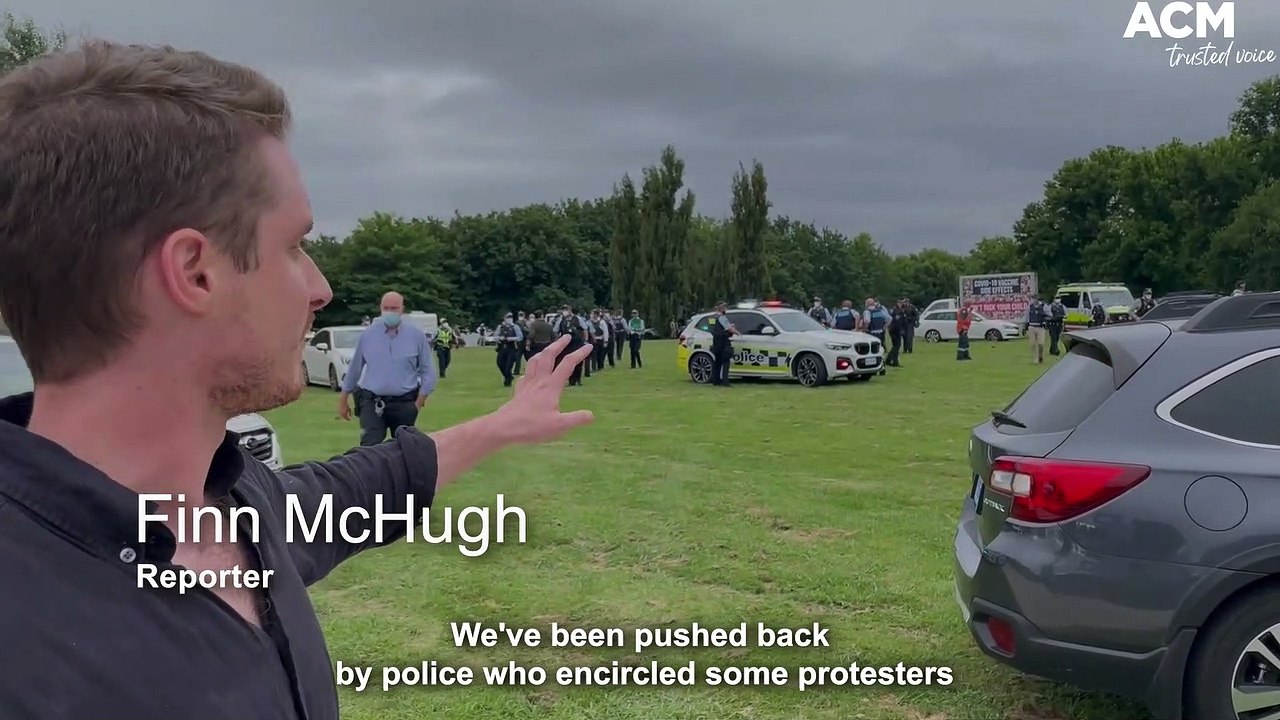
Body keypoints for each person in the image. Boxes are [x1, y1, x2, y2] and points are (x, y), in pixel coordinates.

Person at [0, 40, 595, 720]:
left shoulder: (238, 504)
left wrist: (503, 425)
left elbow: (373, 483)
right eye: (293, 245)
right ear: (196, 272)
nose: (321, 287)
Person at [338, 291, 436, 446]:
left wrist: (418, 403)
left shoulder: (416, 336)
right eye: (386, 308)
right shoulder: (368, 335)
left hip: (405, 403)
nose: (390, 312)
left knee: (404, 448)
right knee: (369, 447)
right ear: (380, 308)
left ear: (402, 309)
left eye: (394, 308)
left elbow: (428, 371)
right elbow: (354, 369)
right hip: (372, 401)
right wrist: (343, 399)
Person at [554, 304, 587, 386]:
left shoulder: (578, 319)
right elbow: (555, 331)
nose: (564, 311)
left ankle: (578, 380)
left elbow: (585, 329)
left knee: (578, 362)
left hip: (577, 343)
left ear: (570, 310)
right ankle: (571, 380)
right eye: (563, 310)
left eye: (565, 309)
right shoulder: (560, 320)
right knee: (569, 362)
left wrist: (585, 340)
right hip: (567, 344)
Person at [709, 301, 739, 386]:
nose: (725, 309)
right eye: (724, 307)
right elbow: (729, 328)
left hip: (716, 342)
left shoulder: (712, 317)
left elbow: (712, 329)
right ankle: (725, 382)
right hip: (723, 342)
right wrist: (738, 333)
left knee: (717, 362)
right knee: (726, 362)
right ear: (721, 308)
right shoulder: (722, 317)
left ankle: (716, 381)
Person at [494, 313, 523, 387]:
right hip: (502, 348)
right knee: (500, 363)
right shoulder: (500, 327)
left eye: (510, 317)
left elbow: (520, 337)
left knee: (508, 366)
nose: (509, 319)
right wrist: (499, 338)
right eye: (508, 317)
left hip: (511, 348)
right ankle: (508, 376)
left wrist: (510, 339)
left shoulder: (515, 327)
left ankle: (508, 381)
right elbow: (495, 336)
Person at [1025, 296, 1048, 364]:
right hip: (1032, 326)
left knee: (1041, 343)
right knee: (1033, 344)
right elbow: (1026, 316)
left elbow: (1049, 314)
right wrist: (1026, 324)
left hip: (1040, 327)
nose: (1033, 300)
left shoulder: (1043, 306)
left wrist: (1044, 319)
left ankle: (1040, 355)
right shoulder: (1030, 307)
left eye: (1035, 299)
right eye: (1032, 299)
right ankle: (1036, 358)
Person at [887, 299, 908, 367]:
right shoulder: (897, 311)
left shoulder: (899, 310)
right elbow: (897, 322)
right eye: (902, 302)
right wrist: (901, 330)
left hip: (895, 330)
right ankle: (894, 361)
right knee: (896, 346)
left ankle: (889, 360)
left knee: (896, 346)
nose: (903, 304)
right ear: (899, 302)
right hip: (895, 330)